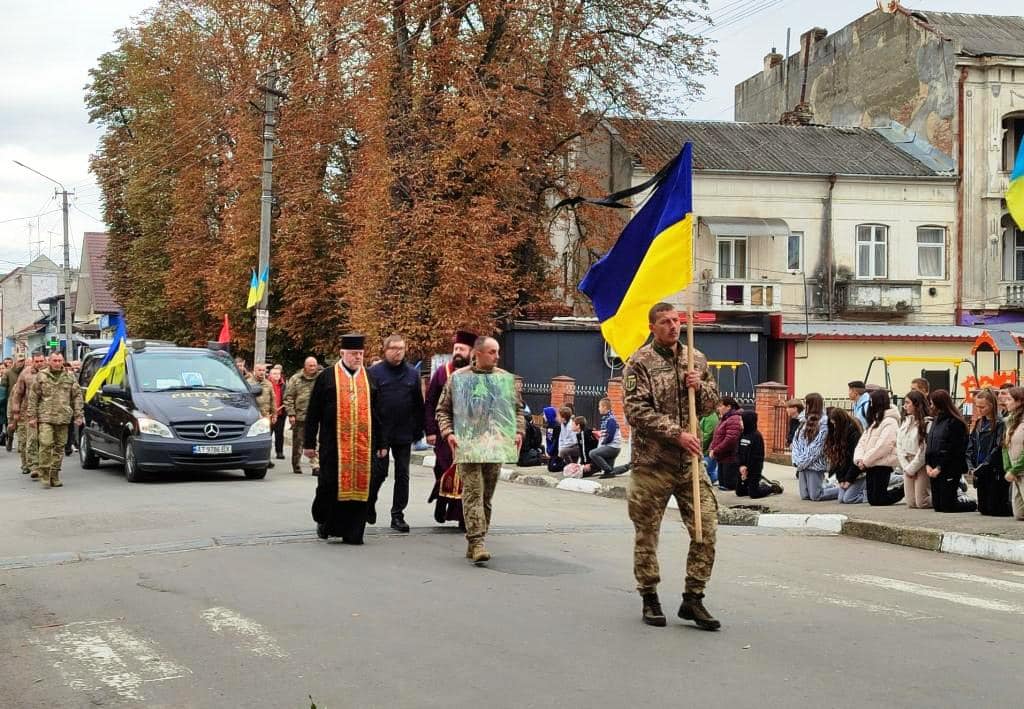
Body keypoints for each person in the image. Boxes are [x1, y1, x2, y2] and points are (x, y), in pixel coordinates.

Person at [622, 303, 721, 630]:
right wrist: (676, 433)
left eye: (676, 321)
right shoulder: (639, 364)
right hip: (653, 463)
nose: (673, 326)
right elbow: (636, 412)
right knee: (647, 533)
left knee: (706, 527)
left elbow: (712, 403)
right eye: (665, 322)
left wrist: (699, 385)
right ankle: (649, 594)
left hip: (689, 464)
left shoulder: (697, 358)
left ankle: (694, 596)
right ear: (652, 327)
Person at [435, 336, 525, 564]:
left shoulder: (506, 380)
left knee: (486, 496)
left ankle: (477, 538)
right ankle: (477, 542)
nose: (497, 356)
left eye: (497, 352)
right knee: (473, 492)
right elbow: (442, 410)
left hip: (495, 446)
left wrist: (518, 432)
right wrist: (449, 433)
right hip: (468, 446)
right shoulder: (458, 378)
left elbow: (518, 410)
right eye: (492, 352)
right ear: (478, 353)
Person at [305, 334, 381, 544]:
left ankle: (353, 532)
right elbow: (313, 412)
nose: (358, 357)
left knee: (362, 486)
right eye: (354, 354)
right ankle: (326, 522)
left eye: (361, 354)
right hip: (333, 445)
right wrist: (309, 443)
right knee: (330, 485)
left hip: (363, 447)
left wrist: (382, 442)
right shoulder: (327, 377)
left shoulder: (370, 378)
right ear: (342, 353)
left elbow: (378, 413)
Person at [367, 334, 425, 533]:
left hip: (404, 431)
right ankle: (369, 503)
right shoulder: (374, 373)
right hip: (381, 432)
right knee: (378, 473)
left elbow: (418, 403)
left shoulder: (412, 374)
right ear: (385, 350)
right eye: (394, 348)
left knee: (403, 475)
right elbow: (370, 405)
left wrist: (419, 429)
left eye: (401, 348)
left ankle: (397, 514)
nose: (398, 352)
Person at [424, 330, 476, 526]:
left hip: (470, 435)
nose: (457, 352)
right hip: (444, 434)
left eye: (461, 349)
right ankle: (442, 499)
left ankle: (464, 517)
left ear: (471, 352)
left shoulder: (478, 374)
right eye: (455, 348)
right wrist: (429, 430)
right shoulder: (442, 372)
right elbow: (430, 403)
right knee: (444, 470)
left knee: (467, 475)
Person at [25, 351, 84, 488]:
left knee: (59, 447)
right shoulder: (42, 376)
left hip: (63, 418)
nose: (57, 363)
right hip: (45, 417)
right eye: (55, 360)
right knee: (45, 443)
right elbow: (33, 397)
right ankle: (45, 473)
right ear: (49, 361)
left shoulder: (69, 377)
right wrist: (32, 417)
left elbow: (77, 397)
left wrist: (78, 415)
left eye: (60, 360)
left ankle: (54, 473)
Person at [925, 389, 977, 513]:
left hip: (949, 468)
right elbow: (930, 445)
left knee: (947, 506)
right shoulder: (935, 421)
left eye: (932, 404)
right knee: (937, 506)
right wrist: (927, 464)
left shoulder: (955, 422)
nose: (930, 406)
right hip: (934, 466)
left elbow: (954, 449)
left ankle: (971, 503)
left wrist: (939, 467)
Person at [854, 389, 905, 506]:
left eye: (872, 401)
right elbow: (862, 441)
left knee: (879, 499)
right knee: (872, 499)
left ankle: (903, 490)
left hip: (882, 463)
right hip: (871, 463)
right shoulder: (875, 422)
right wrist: (859, 459)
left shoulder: (890, 421)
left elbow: (884, 445)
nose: (870, 405)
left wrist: (866, 460)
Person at [966, 388, 1011, 517]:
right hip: (980, 469)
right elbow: (971, 445)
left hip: (993, 470)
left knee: (995, 509)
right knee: (983, 509)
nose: (979, 410)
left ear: (991, 405)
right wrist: (970, 465)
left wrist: (983, 466)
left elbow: (997, 448)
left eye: (982, 407)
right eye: (977, 406)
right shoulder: (979, 423)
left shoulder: (1000, 423)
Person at [791, 394, 837, 501]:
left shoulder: (824, 424)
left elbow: (817, 448)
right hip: (802, 464)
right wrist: (797, 459)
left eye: (806, 403)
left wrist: (802, 462)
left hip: (814, 464)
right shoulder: (803, 421)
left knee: (816, 496)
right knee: (805, 496)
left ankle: (837, 488)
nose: (804, 406)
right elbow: (796, 442)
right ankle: (825, 485)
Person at [10, 352, 46, 477]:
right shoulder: (25, 374)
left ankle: (43, 465)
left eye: (41, 361)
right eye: (37, 361)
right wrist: (15, 412)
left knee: (45, 440)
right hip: (28, 412)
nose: (39, 364)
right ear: (33, 361)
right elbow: (18, 394)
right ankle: (31, 465)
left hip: (47, 412)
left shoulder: (49, 373)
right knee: (30, 439)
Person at [284, 357, 321, 475]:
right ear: (305, 366)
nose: (313, 368)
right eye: (310, 366)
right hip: (300, 416)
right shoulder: (296, 379)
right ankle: (296, 463)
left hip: (317, 416)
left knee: (317, 441)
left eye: (314, 365)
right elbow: (288, 397)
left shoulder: (321, 378)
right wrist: (291, 414)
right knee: (298, 442)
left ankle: (316, 465)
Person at [736, 410, 783, 498]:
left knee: (754, 494)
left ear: (748, 421)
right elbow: (738, 452)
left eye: (741, 420)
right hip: (742, 468)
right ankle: (755, 486)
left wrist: (747, 468)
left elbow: (757, 456)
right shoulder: (742, 435)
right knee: (740, 492)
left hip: (754, 468)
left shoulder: (757, 436)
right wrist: (741, 465)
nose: (740, 423)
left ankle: (771, 488)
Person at [897, 390, 931, 509]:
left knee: (921, 502)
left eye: (907, 403)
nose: (904, 406)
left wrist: (912, 468)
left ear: (916, 404)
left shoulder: (926, 422)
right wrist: (906, 467)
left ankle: (948, 496)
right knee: (911, 502)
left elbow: (923, 450)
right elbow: (899, 445)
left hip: (919, 462)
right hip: (907, 461)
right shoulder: (906, 421)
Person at [825, 407, 865, 504]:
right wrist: (841, 479)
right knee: (841, 499)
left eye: (835, 424)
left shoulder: (854, 434)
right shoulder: (838, 434)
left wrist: (848, 480)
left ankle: (868, 494)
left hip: (858, 473)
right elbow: (838, 460)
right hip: (847, 472)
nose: (834, 427)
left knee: (848, 499)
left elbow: (854, 460)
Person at [709, 396, 742, 491]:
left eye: (720, 406)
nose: (718, 408)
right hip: (722, 457)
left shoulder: (734, 419)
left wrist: (716, 450)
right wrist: (712, 448)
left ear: (728, 407)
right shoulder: (725, 419)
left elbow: (731, 439)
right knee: (723, 485)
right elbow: (717, 436)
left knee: (729, 485)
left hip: (730, 458)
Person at [1001, 387, 1024, 520]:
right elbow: (1005, 446)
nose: (1006, 402)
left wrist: (1014, 470)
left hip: (1020, 470)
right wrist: (1008, 468)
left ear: (1019, 402)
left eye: (1009, 399)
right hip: (1015, 473)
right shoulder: (1009, 421)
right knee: (1019, 514)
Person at [589, 398, 627, 478]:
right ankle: (626, 467)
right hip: (613, 446)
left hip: (612, 447)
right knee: (611, 471)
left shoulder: (610, 419)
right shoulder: (606, 418)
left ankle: (608, 471)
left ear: (604, 407)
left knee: (593, 453)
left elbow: (610, 436)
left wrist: (603, 443)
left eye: (599, 406)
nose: (598, 408)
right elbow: (606, 433)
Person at [3, 354, 25, 452]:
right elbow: (3, 386)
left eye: (23, 360)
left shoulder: (25, 372)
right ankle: (10, 439)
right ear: (15, 361)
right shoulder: (8, 373)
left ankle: (21, 444)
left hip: (24, 401)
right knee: (11, 423)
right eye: (19, 361)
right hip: (11, 400)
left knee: (22, 423)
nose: (21, 363)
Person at [268, 366, 287, 460]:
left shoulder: (283, 385)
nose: (276, 376)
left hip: (280, 413)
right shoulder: (267, 385)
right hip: (268, 414)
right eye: (274, 374)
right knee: (268, 434)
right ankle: (266, 454)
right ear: (270, 375)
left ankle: (279, 452)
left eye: (278, 374)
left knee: (279, 434)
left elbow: (287, 396)